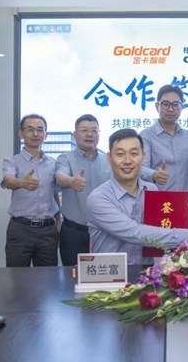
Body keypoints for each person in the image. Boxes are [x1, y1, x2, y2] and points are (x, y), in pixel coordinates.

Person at [87, 129, 188, 265]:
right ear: (109, 158)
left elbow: (160, 229)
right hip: (110, 273)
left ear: (143, 157)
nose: (127, 161)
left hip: (147, 271)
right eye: (120, 154)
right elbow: (134, 232)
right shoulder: (98, 198)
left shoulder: (151, 190)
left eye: (134, 154)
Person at [2, 114, 60, 267]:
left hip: (47, 230)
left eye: (40, 130)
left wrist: (58, 222)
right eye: (30, 130)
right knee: (17, 277)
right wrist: (22, 182)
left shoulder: (53, 164)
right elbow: (8, 181)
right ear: (21, 134)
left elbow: (55, 194)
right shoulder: (12, 161)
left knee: (48, 278)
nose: (35, 134)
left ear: (45, 134)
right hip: (21, 229)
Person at [55, 114, 111, 266]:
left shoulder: (109, 159)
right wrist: (72, 181)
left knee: (104, 274)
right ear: (75, 134)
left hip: (104, 232)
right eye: (84, 130)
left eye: (94, 130)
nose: (89, 134)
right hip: (74, 232)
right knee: (71, 275)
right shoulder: (65, 158)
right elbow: (60, 177)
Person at [139, 85, 188, 194]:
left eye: (175, 105)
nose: (171, 109)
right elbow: (140, 168)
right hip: (155, 200)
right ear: (157, 106)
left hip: (182, 201)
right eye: (166, 104)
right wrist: (154, 174)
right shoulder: (146, 136)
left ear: (182, 107)